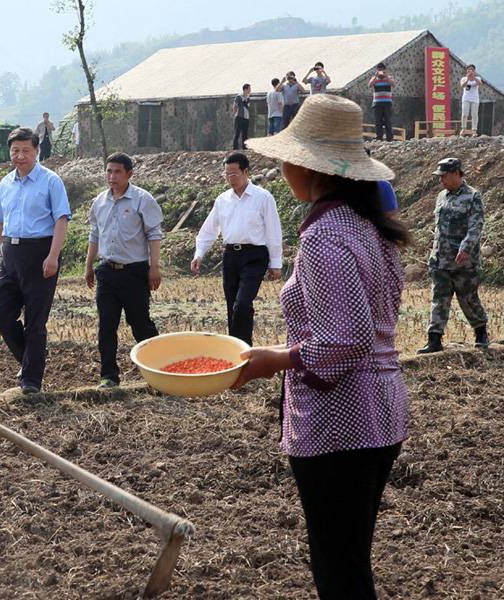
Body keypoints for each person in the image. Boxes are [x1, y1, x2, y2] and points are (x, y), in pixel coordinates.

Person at [243, 94, 410, 600]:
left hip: (343, 423)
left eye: (289, 156)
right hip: (382, 413)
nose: (283, 165)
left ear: (310, 167)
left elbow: (348, 337)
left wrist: (279, 360)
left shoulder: (325, 236)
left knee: (339, 571)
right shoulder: (372, 230)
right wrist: (280, 350)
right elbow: (360, 328)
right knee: (350, 559)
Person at [0, 127, 72, 394]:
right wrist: (2, 248)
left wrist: (53, 255)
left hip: (40, 253)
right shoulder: (5, 183)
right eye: (15, 151)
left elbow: (61, 219)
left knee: (35, 322)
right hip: (11, 254)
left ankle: (31, 382)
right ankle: (29, 361)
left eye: (26, 150)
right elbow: (0, 220)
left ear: (37, 151)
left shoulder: (50, 181)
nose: (20, 156)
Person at [85, 152, 163, 388]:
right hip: (107, 271)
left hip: (134, 272)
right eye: (109, 171)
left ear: (129, 174)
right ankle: (108, 375)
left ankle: (159, 371)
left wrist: (154, 267)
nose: (112, 176)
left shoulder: (142, 199)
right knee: (106, 325)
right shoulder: (99, 201)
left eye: (118, 171)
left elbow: (154, 234)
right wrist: (89, 265)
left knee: (140, 323)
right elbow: (95, 235)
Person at [191, 151, 282, 347]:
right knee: (232, 305)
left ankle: (244, 349)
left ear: (246, 171)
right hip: (231, 255)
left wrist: (275, 263)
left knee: (242, 303)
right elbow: (209, 230)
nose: (230, 178)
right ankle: (235, 350)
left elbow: (273, 231)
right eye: (227, 174)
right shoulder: (222, 200)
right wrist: (199, 254)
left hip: (255, 255)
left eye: (234, 174)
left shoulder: (263, 197)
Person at [417, 157, 488, 353]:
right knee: (439, 299)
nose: (442, 180)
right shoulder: (441, 196)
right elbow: (438, 229)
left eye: (445, 176)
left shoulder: (473, 197)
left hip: (464, 261)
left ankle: (481, 334)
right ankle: (434, 340)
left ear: (457, 173)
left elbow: (476, 226)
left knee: (468, 299)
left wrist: (465, 248)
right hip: (441, 259)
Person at [369, 63, 395, 141]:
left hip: (387, 103)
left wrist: (386, 76)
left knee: (388, 121)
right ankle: (379, 137)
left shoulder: (388, 78)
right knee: (378, 121)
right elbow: (370, 85)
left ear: (385, 70)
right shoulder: (374, 78)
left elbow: (393, 84)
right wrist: (376, 76)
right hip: (377, 103)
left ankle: (389, 138)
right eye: (379, 69)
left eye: (382, 69)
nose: (381, 71)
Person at [460, 64, 483, 136]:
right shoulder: (464, 78)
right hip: (466, 98)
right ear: (466, 71)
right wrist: (468, 78)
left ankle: (474, 130)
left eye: (472, 69)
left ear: (474, 71)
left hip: (475, 99)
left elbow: (480, 84)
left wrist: (474, 77)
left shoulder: (478, 78)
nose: (470, 71)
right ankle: (463, 129)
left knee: (474, 114)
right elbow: (462, 86)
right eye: (469, 69)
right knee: (464, 114)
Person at [232, 83, 251, 150]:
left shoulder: (248, 98)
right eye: (249, 89)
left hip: (246, 118)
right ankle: (235, 147)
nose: (250, 90)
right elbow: (235, 106)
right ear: (245, 89)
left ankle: (244, 147)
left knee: (245, 133)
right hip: (239, 117)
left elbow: (248, 106)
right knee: (237, 132)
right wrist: (234, 115)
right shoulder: (239, 97)